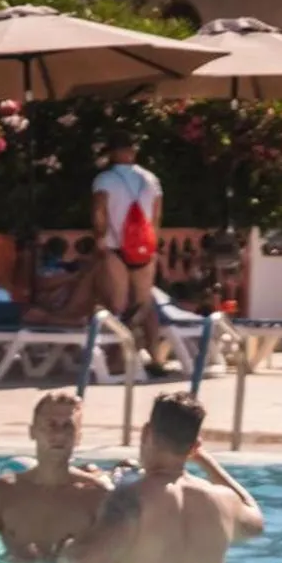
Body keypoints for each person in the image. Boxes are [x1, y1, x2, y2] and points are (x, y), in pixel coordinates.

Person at [55, 393, 266, 563]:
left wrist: (66, 551)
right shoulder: (225, 501)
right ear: (195, 445)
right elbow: (255, 523)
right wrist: (206, 462)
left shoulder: (130, 499)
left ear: (146, 433)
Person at [0, 391, 110, 562]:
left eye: (68, 426)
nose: (58, 435)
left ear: (78, 437)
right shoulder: (3, 493)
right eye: (51, 425)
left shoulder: (96, 496)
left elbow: (118, 559)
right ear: (32, 432)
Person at [91, 129, 171, 378]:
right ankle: (156, 356)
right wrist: (151, 243)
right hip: (144, 248)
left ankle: (120, 359)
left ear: (113, 153)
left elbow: (99, 213)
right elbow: (156, 216)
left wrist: (100, 240)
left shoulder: (104, 180)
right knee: (144, 303)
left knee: (118, 305)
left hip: (116, 247)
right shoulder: (151, 179)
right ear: (133, 152)